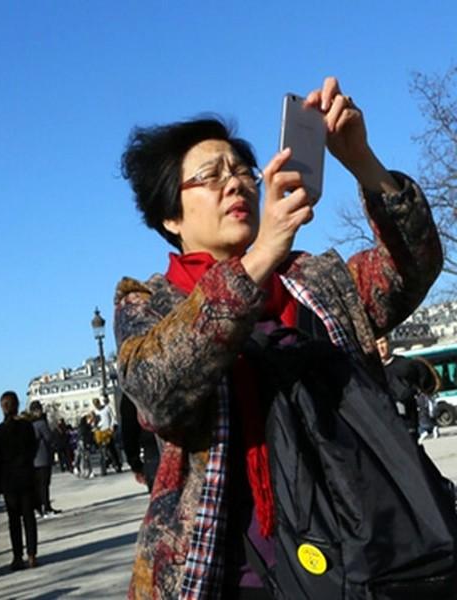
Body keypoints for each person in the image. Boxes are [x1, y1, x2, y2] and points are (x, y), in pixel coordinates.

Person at [114, 77, 442, 598]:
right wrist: (259, 257)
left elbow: (412, 269)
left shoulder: (312, 279)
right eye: (211, 175)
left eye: (242, 171)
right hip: (224, 571)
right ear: (170, 216)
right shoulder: (149, 303)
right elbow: (158, 389)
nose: (237, 184)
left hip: (354, 556)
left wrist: (362, 161)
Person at [0, 391, 39, 570]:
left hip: (8, 479)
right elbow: (33, 448)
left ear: (2, 408)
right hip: (25, 475)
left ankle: (17, 556)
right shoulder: (27, 427)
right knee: (28, 517)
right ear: (17, 406)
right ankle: (32, 554)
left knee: (13, 520)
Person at [377, 336, 440, 441]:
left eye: (382, 342)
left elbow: (423, 382)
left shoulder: (405, 365)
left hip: (408, 422)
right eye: (377, 344)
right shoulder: (371, 369)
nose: (380, 347)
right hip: (385, 423)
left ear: (388, 343)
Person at [119, 393, 160, 492]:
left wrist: (135, 462)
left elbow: (129, 429)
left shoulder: (133, 389)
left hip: (152, 446)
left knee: (162, 497)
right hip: (186, 442)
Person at [28, 401, 59, 517]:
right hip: (43, 456)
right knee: (44, 484)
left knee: (37, 485)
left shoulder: (29, 424)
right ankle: (46, 506)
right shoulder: (41, 423)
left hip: (33, 459)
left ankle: (38, 507)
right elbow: (48, 437)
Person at [92, 398, 122, 474]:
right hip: (100, 432)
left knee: (111, 449)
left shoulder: (107, 408)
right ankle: (105, 466)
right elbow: (94, 422)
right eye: (95, 404)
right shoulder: (95, 412)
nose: (96, 406)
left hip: (108, 431)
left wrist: (112, 427)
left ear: (99, 402)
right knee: (103, 450)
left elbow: (112, 418)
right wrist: (95, 426)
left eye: (97, 403)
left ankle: (116, 464)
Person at [76, 412, 96, 479]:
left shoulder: (81, 426)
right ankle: (88, 472)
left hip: (82, 444)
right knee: (86, 459)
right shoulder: (85, 427)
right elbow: (86, 436)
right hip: (84, 444)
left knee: (84, 459)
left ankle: (85, 472)